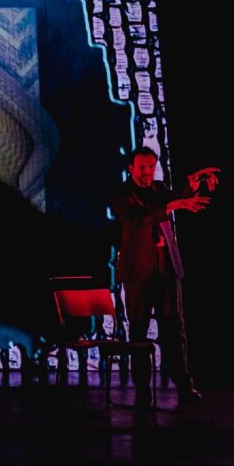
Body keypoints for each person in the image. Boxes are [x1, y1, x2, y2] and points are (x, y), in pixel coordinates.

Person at [111, 146, 219, 408]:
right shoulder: (123, 194)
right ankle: (142, 392)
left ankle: (184, 386)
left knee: (175, 331)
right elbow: (139, 219)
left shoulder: (159, 190)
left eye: (151, 166)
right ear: (131, 169)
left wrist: (193, 185)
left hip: (166, 270)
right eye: (143, 167)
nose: (148, 172)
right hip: (139, 273)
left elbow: (177, 197)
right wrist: (174, 204)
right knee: (138, 332)